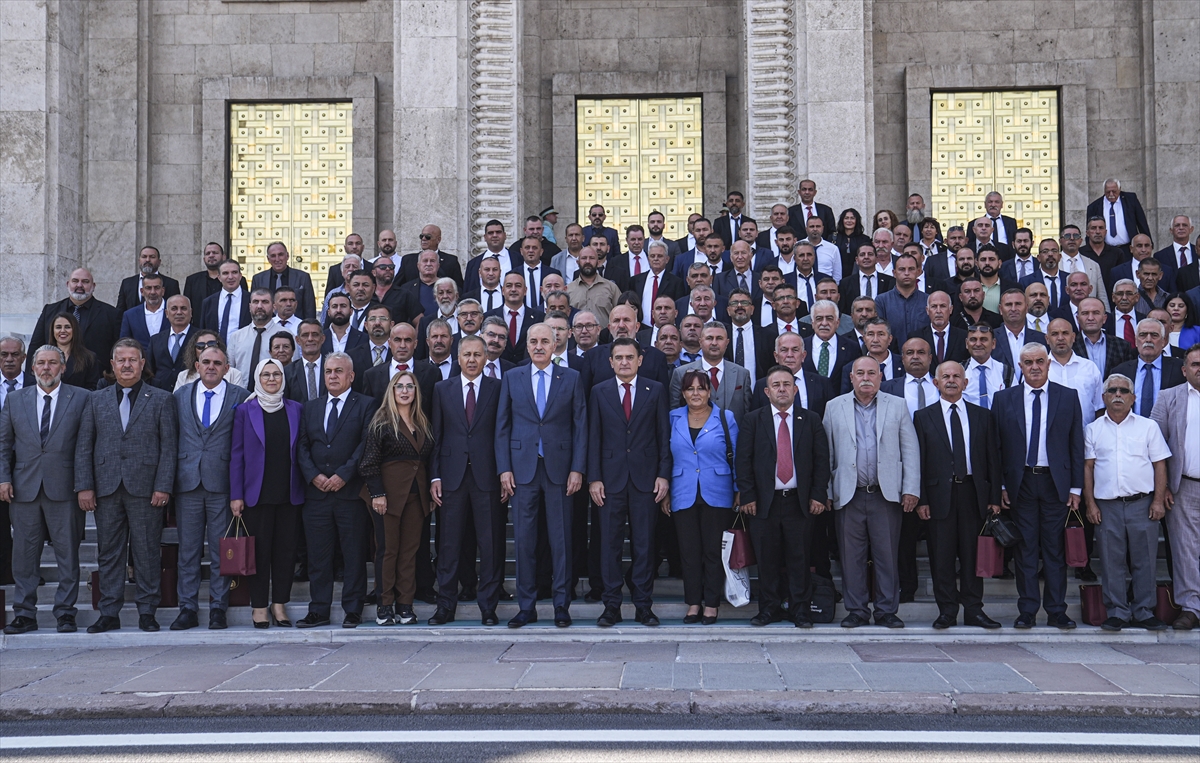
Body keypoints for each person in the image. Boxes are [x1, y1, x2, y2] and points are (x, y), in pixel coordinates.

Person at [75, 338, 178, 633]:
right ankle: (109, 612)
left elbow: (168, 447)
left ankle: (148, 611)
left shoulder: (161, 399)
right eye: (121, 360)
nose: (127, 365)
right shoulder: (96, 400)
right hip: (106, 488)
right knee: (109, 552)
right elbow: (85, 446)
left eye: (133, 359)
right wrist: (85, 486)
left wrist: (163, 486)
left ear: (142, 364)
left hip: (146, 489)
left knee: (146, 551)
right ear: (112, 365)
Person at [496, 324, 587, 628]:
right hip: (522, 470)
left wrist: (577, 469)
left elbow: (580, 427)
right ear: (526, 344)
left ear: (555, 343)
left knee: (560, 539)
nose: (538, 346)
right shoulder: (512, 377)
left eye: (544, 341)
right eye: (533, 341)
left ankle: (562, 605)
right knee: (523, 541)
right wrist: (504, 468)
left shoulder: (571, 378)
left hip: (560, 470)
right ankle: (527, 606)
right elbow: (502, 427)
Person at [992, 344, 1085, 629]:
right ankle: (1028, 610)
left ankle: (1057, 610)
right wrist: (1002, 485)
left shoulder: (1067, 397)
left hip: (1055, 482)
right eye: (1028, 362)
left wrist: (1076, 488)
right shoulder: (1003, 399)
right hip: (1021, 483)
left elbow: (1076, 444)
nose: (1034, 366)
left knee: (1055, 550)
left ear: (1048, 365)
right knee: (1026, 549)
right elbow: (997, 448)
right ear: (1020, 366)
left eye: (1040, 361)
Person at [0, 346, 90, 634]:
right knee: (24, 556)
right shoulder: (15, 400)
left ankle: (65, 613)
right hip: (24, 489)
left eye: (53, 363)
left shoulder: (81, 398)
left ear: (63, 367)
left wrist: (84, 485)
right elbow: (3, 445)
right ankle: (24, 614)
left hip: (65, 488)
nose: (46, 368)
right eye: (41, 363)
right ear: (32, 368)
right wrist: (3, 478)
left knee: (67, 554)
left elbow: (86, 447)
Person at [824, 356, 920, 628]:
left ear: (880, 377)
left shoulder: (898, 405)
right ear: (851, 377)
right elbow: (827, 455)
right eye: (860, 373)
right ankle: (856, 610)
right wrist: (827, 491)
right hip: (849, 494)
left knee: (886, 555)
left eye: (871, 373)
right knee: (851, 557)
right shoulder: (834, 407)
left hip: (885, 495)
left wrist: (911, 489)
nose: (866, 378)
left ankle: (886, 610)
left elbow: (910, 450)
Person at [737, 365, 831, 627]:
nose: (782, 389)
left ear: (795, 389)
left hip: (799, 503)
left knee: (799, 558)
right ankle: (769, 609)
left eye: (786, 384)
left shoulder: (810, 419)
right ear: (767, 391)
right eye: (776, 385)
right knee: (767, 559)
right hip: (764, 503)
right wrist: (748, 496)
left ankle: (800, 610)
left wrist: (818, 495)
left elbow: (821, 461)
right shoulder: (753, 420)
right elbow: (743, 461)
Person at [913, 361, 1003, 629]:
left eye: (956, 377)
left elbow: (993, 460)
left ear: (965, 383)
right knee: (941, 556)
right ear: (936, 383)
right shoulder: (923, 417)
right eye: (946, 377)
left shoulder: (982, 416)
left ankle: (974, 610)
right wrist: (922, 499)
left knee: (972, 555)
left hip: (973, 494)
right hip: (939, 496)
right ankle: (947, 611)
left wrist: (995, 498)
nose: (951, 380)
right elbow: (918, 460)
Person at [588, 338, 671, 627]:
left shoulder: (656, 390)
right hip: (609, 482)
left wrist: (663, 474)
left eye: (629, 357)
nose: (624, 362)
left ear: (640, 360)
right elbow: (593, 437)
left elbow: (664, 436)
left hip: (645, 480)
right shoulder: (599, 392)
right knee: (609, 545)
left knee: (644, 545)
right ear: (610, 362)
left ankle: (643, 606)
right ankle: (611, 606)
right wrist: (594, 478)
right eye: (618, 357)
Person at [170, 345, 250, 631]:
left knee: (221, 550)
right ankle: (187, 609)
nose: (212, 367)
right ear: (197, 365)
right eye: (206, 362)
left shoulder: (240, 397)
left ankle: (218, 608)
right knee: (188, 551)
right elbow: (170, 441)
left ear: (227, 368)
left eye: (218, 363)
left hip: (222, 485)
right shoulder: (180, 397)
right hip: (188, 483)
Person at [1085, 372, 1171, 631]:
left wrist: (1158, 500)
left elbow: (1160, 465)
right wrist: (1090, 504)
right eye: (1112, 391)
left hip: (1142, 504)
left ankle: (1144, 611)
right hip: (1107, 506)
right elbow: (1088, 468)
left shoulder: (1148, 427)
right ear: (1104, 397)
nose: (1118, 395)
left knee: (1144, 559)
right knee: (1111, 561)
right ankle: (1117, 612)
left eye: (1123, 391)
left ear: (1133, 398)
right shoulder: (1093, 429)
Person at [429, 335, 505, 625]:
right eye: (466, 355)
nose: (472, 360)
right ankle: (445, 606)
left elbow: (503, 433)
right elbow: (436, 435)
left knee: (491, 544)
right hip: (451, 477)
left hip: (488, 476)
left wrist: (503, 473)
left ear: (485, 358)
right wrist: (435, 475)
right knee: (448, 545)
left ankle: (488, 606)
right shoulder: (441, 389)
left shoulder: (498, 388)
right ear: (457, 358)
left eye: (477, 354)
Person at [295, 352, 373, 628]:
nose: (332, 376)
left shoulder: (365, 405)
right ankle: (319, 609)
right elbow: (302, 446)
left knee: (353, 555)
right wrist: (313, 475)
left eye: (339, 371)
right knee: (318, 556)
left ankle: (353, 609)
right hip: (316, 496)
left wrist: (343, 475)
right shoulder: (311, 407)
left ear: (351, 375)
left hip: (350, 494)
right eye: (328, 371)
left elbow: (365, 445)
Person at [230, 358, 305, 629]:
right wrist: (236, 495)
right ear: (257, 379)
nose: (271, 379)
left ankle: (279, 604)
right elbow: (236, 455)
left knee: (285, 553)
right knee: (258, 553)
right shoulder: (244, 411)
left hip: (289, 492)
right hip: (255, 494)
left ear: (283, 378)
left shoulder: (296, 409)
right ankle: (259, 607)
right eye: (265, 375)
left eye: (276, 374)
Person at [359, 369, 434, 627]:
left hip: (416, 496)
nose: (405, 391)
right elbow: (368, 463)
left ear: (416, 392)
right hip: (387, 496)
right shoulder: (381, 421)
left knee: (409, 552)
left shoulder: (422, 421)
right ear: (391, 392)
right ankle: (385, 604)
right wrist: (377, 493)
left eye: (410, 387)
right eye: (399, 386)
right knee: (388, 550)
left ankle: (405, 605)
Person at [668, 371, 737, 624]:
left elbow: (737, 455)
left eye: (701, 388)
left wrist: (739, 490)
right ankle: (693, 603)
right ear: (683, 393)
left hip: (718, 492)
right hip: (682, 492)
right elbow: (666, 455)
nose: (695, 393)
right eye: (690, 389)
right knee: (689, 552)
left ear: (710, 392)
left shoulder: (724, 417)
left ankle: (711, 604)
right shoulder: (672, 418)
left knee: (713, 551)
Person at [1150, 344, 1200, 630]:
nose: (1199, 368)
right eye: (1194, 364)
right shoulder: (1169, 397)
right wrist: (1163, 486)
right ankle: (1191, 608)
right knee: (1185, 551)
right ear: (1184, 370)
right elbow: (1156, 447)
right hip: (1184, 487)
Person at [28, 268, 121, 372]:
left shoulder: (111, 314)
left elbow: (117, 350)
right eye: (75, 281)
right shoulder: (49, 311)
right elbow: (35, 346)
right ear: (68, 284)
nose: (79, 285)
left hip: (95, 380)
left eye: (85, 281)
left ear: (93, 286)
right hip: (54, 378)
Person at [668, 322, 751, 420]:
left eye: (719, 338)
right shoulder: (681, 373)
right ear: (700, 342)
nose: (714, 343)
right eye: (709, 338)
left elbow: (747, 413)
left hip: (733, 434)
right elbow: (675, 411)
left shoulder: (742, 373)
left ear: (727, 342)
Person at [1113, 318, 1187, 417]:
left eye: (1154, 335)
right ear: (1135, 341)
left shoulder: (1180, 369)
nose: (1148, 339)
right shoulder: (1120, 371)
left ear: (1163, 341)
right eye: (1143, 335)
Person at [250, 241, 316, 320]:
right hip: (266, 326)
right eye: (273, 256)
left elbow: (309, 308)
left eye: (280, 255)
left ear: (287, 256)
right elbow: (254, 307)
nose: (277, 259)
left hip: (295, 328)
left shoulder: (303, 277)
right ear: (268, 259)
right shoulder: (258, 279)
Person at [1086, 178, 1151, 250]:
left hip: (1128, 249)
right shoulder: (1094, 207)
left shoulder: (1130, 200)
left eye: (1114, 191)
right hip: (1105, 250)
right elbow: (1089, 230)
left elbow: (1141, 222)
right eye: (1108, 192)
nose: (1111, 194)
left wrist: (1149, 244)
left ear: (1119, 189)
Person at [148, 295, 195, 390]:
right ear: (166, 313)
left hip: (189, 392)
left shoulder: (200, 337)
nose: (179, 312)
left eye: (183, 308)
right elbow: (149, 371)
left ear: (191, 312)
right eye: (174, 309)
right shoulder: (155, 339)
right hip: (161, 392)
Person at [173, 330, 246, 391]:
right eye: (200, 345)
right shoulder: (183, 376)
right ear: (194, 350)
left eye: (211, 344)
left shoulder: (234, 374)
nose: (206, 347)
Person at [47, 313, 102, 390]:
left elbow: (92, 389)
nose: (62, 331)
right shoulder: (42, 355)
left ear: (74, 330)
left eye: (67, 327)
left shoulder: (89, 358)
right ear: (52, 331)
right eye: (58, 327)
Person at [118, 272, 170, 353]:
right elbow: (124, 345)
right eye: (148, 288)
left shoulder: (174, 312)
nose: (153, 292)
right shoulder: (130, 315)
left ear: (163, 291)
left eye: (156, 288)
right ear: (142, 291)